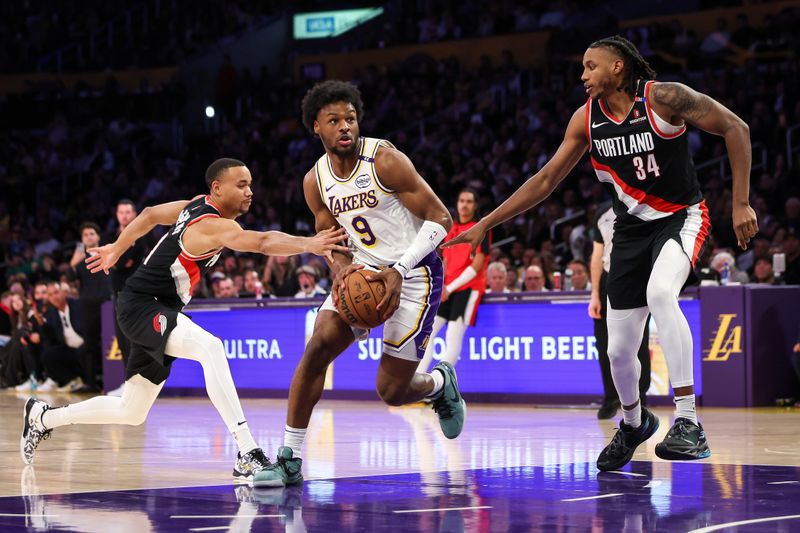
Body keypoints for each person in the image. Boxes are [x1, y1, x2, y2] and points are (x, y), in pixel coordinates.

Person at [445, 35, 758, 472]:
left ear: (617, 68)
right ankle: (633, 424)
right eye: (582, 66)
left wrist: (740, 202)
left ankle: (688, 422)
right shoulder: (585, 119)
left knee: (663, 294)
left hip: (680, 217)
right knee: (617, 351)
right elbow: (545, 179)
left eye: (591, 66)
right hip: (629, 231)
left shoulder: (665, 97)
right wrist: (486, 223)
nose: (583, 74)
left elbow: (736, 128)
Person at [20, 158, 349, 484]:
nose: (250, 192)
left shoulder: (194, 205)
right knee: (211, 347)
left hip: (153, 308)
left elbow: (148, 215)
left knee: (132, 412)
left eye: (251, 184)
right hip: (143, 306)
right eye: (242, 185)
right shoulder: (213, 225)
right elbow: (261, 243)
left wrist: (117, 249)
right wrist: (310, 244)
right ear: (217, 188)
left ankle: (43, 417)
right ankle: (247, 452)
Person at [254, 80, 463, 488]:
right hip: (365, 272)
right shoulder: (314, 181)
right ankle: (289, 458)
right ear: (317, 127)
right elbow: (332, 240)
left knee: (391, 391)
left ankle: (439, 384)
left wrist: (398, 271)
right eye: (334, 120)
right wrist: (341, 269)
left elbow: (442, 220)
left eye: (350, 118)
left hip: (415, 271)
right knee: (317, 347)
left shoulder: (385, 160)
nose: (345, 126)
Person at [417, 188, 490, 372]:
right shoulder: (452, 229)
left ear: (475, 206)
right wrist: (443, 286)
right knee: (429, 331)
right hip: (447, 289)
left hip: (468, 288)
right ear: (457, 204)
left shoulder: (481, 228)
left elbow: (478, 264)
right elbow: (445, 261)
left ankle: (440, 383)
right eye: (462, 201)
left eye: (469, 201)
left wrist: (450, 287)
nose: (464, 205)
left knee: (453, 336)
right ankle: (418, 379)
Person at [589, 204, 651, 420]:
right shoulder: (602, 213)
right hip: (608, 277)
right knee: (604, 343)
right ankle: (611, 397)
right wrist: (595, 294)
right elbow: (597, 255)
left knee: (638, 341)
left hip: (636, 276)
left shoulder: (641, 205)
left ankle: (641, 397)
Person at [105, 199, 146, 396]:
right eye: (121, 212)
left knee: (134, 339)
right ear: (116, 214)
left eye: (128, 212)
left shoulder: (142, 236)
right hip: (117, 294)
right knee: (122, 340)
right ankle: (129, 383)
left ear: (135, 213)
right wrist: (117, 259)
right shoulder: (111, 237)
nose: (124, 215)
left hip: (136, 295)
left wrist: (115, 258)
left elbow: (120, 263)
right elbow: (116, 261)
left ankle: (139, 384)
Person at [70, 222, 112, 392]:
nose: (89, 236)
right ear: (82, 239)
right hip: (87, 304)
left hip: (108, 301)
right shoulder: (79, 261)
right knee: (90, 343)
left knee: (111, 342)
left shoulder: (108, 253)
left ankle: (115, 381)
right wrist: (73, 264)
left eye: (91, 233)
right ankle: (90, 383)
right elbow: (68, 279)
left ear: (98, 237)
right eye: (85, 235)